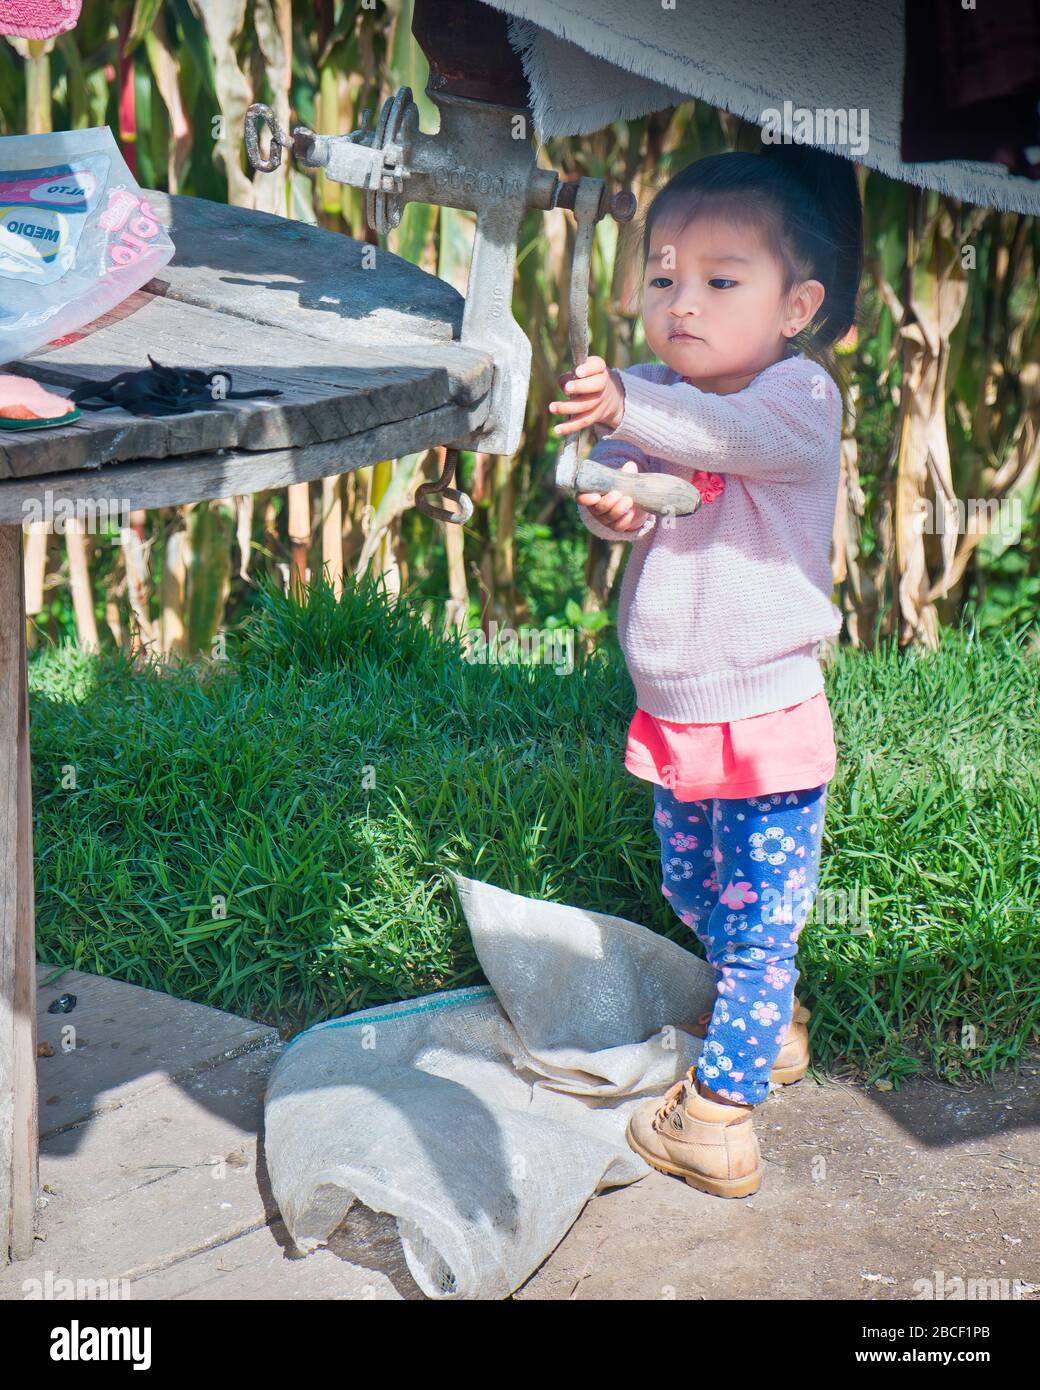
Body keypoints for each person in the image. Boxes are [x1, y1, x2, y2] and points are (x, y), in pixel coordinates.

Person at [550, 141, 863, 1198]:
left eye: (720, 281)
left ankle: (719, 1116)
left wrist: (622, 415)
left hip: (769, 710)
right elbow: (645, 497)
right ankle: (758, 1023)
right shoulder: (656, 392)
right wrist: (614, 505)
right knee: (698, 888)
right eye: (662, 277)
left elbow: (716, 437)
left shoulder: (795, 397)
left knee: (762, 913)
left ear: (794, 305)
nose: (682, 301)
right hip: (678, 707)